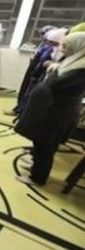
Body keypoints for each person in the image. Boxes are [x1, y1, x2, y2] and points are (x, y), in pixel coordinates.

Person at [15, 32, 85, 186]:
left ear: (78, 48)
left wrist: (52, 68)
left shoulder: (81, 69)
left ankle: (37, 178)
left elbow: (57, 82)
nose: (62, 49)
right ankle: (36, 166)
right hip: (52, 110)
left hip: (56, 113)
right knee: (42, 143)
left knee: (45, 145)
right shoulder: (73, 62)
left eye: (66, 46)